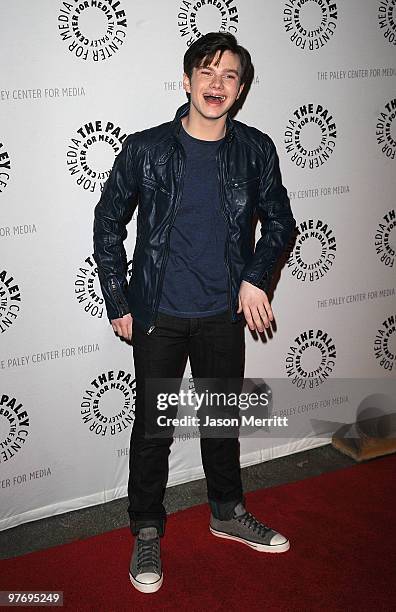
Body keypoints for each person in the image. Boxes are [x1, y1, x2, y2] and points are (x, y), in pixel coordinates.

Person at [93, 31, 296, 594]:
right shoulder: (146, 147)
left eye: (229, 75)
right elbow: (108, 221)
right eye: (206, 72)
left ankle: (226, 512)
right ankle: (147, 530)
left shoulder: (256, 149)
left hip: (221, 315)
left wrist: (256, 279)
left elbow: (280, 222)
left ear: (241, 89)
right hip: (158, 312)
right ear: (185, 81)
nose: (217, 84)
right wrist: (119, 299)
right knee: (153, 430)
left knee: (220, 423)